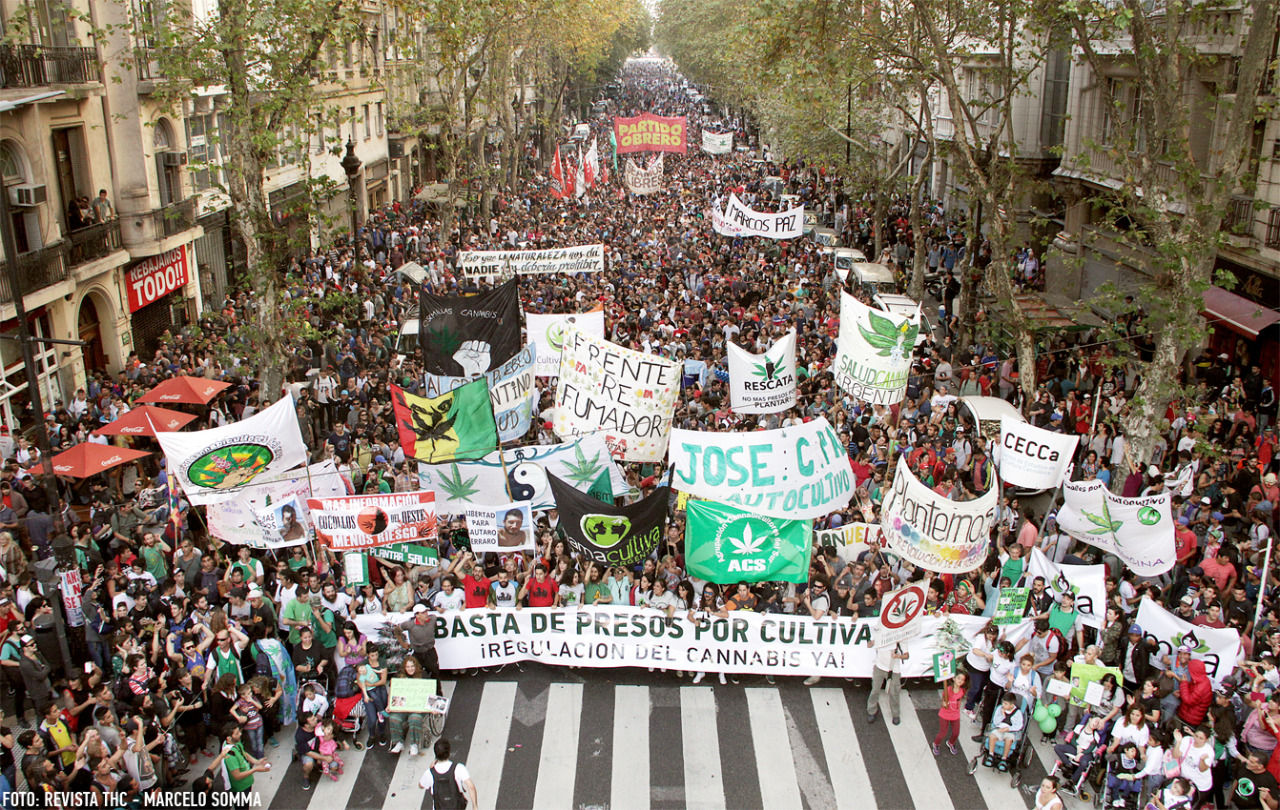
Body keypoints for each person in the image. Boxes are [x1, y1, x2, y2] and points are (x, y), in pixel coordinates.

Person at [419, 738, 478, 809]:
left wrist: (430, 768)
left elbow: (421, 785)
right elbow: (471, 786)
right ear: (449, 752)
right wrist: (475, 806)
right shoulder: (458, 768)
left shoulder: (430, 773)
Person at [867, 635, 908, 725]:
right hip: (879, 666)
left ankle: (895, 714)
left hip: (894, 669)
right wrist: (871, 643)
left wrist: (897, 656)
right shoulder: (881, 633)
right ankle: (871, 711)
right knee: (875, 690)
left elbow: (906, 655)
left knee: (894, 693)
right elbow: (870, 644)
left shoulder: (901, 637)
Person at [933, 671, 967, 756]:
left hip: (955, 714)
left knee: (956, 732)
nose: (960, 681)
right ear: (954, 678)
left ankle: (951, 743)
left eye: (962, 680)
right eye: (959, 678)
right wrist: (944, 704)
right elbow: (943, 701)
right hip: (945, 714)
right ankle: (936, 744)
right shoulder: (947, 690)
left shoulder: (962, 691)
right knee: (943, 732)